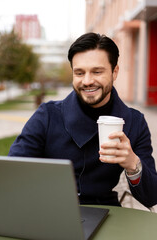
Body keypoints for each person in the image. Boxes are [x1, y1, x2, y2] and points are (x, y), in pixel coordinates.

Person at [9, 32, 157, 207]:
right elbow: (12, 173)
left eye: (97, 71)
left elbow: (151, 197)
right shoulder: (47, 115)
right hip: (49, 209)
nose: (87, 81)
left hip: (105, 211)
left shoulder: (133, 122)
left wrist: (133, 163)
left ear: (114, 72)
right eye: (79, 73)